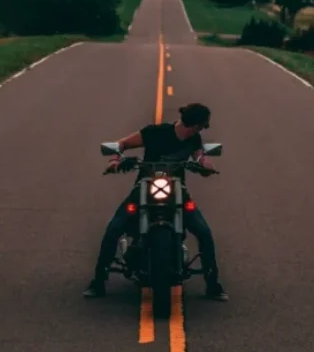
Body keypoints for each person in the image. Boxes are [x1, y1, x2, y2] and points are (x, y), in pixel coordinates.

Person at [83, 102, 228, 301]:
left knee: (203, 231)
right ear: (194, 124)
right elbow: (122, 144)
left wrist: (206, 164)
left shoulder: (194, 139)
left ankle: (213, 284)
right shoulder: (154, 132)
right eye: (202, 126)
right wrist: (115, 160)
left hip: (177, 191)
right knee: (114, 229)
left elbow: (200, 157)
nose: (202, 130)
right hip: (144, 187)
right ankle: (98, 281)